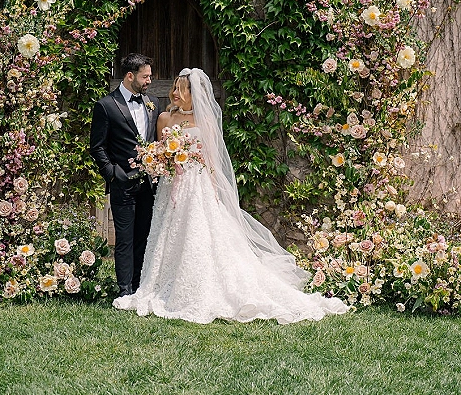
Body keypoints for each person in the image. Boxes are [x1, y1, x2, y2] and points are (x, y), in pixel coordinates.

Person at [113, 68, 349, 324]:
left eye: (182, 89)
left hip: (198, 188)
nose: (175, 93)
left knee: (199, 236)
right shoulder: (164, 119)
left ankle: (204, 287)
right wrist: (160, 162)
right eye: (175, 88)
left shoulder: (205, 123)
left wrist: (213, 192)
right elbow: (161, 153)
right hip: (171, 188)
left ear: (195, 93)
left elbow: (213, 161)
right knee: (167, 236)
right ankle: (161, 283)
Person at [90, 54, 161, 297]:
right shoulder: (106, 105)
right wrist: (112, 174)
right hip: (122, 183)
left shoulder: (152, 103)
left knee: (143, 236)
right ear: (130, 76)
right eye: (145, 76)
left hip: (148, 185)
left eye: (150, 76)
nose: (149, 81)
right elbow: (97, 147)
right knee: (124, 239)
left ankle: (139, 286)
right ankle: (124, 290)